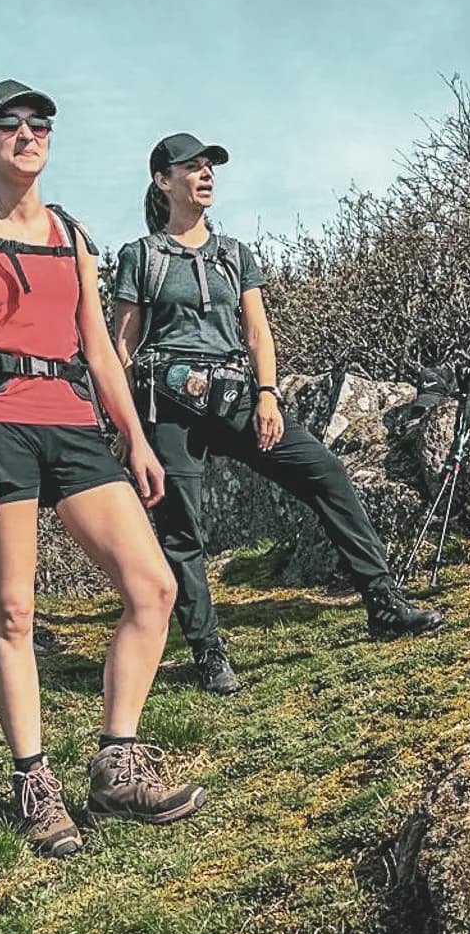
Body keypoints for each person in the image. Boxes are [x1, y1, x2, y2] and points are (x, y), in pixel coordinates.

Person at [0, 80, 203, 859]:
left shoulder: (71, 234)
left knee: (154, 588)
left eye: (38, 122)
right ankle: (33, 782)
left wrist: (136, 439)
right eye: (7, 123)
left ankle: (116, 760)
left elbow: (101, 348)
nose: (26, 132)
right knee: (12, 613)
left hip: (72, 422)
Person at [111, 134, 445, 695]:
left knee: (326, 473)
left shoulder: (235, 254)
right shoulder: (140, 257)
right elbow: (123, 345)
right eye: (191, 167)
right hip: (164, 407)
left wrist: (267, 394)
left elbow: (258, 331)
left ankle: (384, 604)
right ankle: (207, 652)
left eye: (209, 166)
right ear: (162, 181)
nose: (205, 174)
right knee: (181, 529)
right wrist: (127, 431)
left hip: (236, 394)